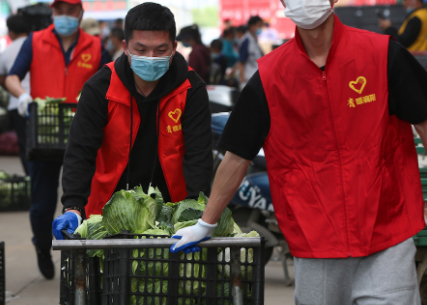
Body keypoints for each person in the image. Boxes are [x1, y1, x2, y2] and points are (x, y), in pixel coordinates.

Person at [171, 0, 427, 304]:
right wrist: (206, 222)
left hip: (387, 238)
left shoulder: (382, 54)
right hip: (315, 242)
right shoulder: (271, 76)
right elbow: (237, 155)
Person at [51, 2, 213, 248]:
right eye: (141, 49)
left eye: (161, 50)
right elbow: (80, 150)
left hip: (172, 215)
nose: (150, 58)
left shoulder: (191, 88)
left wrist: (195, 214)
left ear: (174, 47)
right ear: (126, 47)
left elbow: (199, 154)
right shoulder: (100, 87)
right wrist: (73, 206)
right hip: (107, 212)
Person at [5, 0, 108, 280]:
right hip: (44, 133)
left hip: (84, 135)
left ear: (81, 13)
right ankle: (41, 245)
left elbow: (113, 82)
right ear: (53, 12)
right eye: (59, 10)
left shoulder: (96, 46)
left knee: (84, 199)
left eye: (70, 11)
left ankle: (83, 255)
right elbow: (12, 76)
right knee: (42, 202)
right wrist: (22, 95)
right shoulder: (35, 41)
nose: (64, 16)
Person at [0, 15, 31, 175]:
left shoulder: (7, 51)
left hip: (17, 103)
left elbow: (1, 78)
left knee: (25, 145)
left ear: (11, 31)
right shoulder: (37, 45)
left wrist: (17, 91)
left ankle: (30, 177)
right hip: (40, 103)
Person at [238, 16, 264, 89]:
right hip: (248, 78)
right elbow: (241, 62)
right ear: (252, 26)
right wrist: (242, 79)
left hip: (255, 77)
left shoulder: (254, 40)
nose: (260, 27)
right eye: (259, 25)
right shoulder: (246, 41)